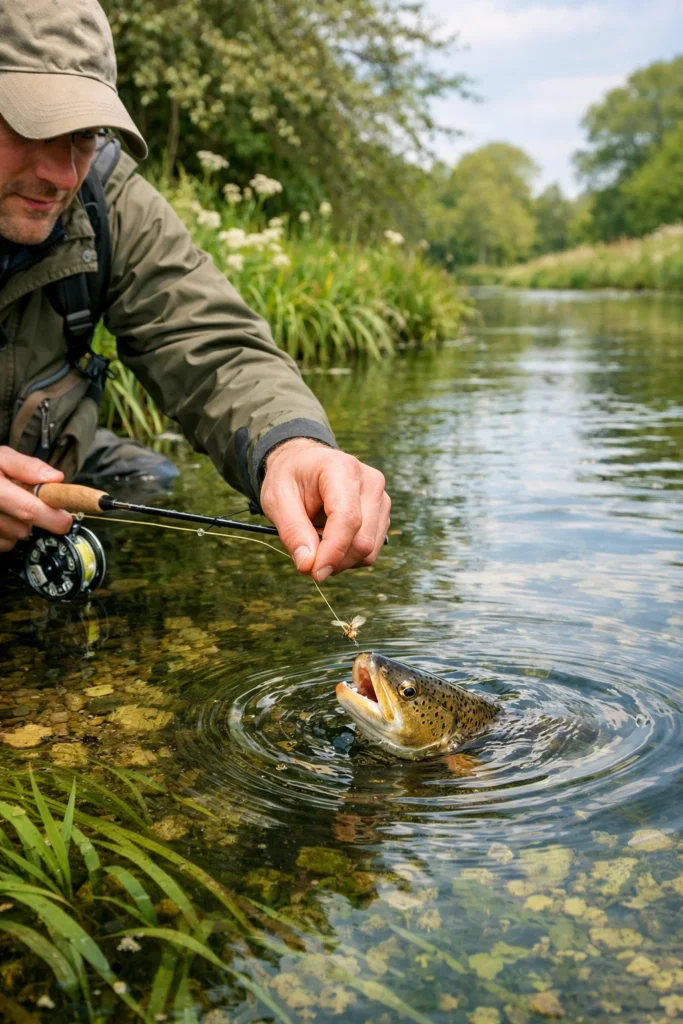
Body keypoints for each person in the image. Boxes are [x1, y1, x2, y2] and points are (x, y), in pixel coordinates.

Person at [0, 0, 390, 583]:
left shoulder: (106, 197)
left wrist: (292, 449)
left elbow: (210, 344)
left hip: (45, 468)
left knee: (146, 474)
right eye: (33, 126)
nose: (61, 173)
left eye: (83, 134)